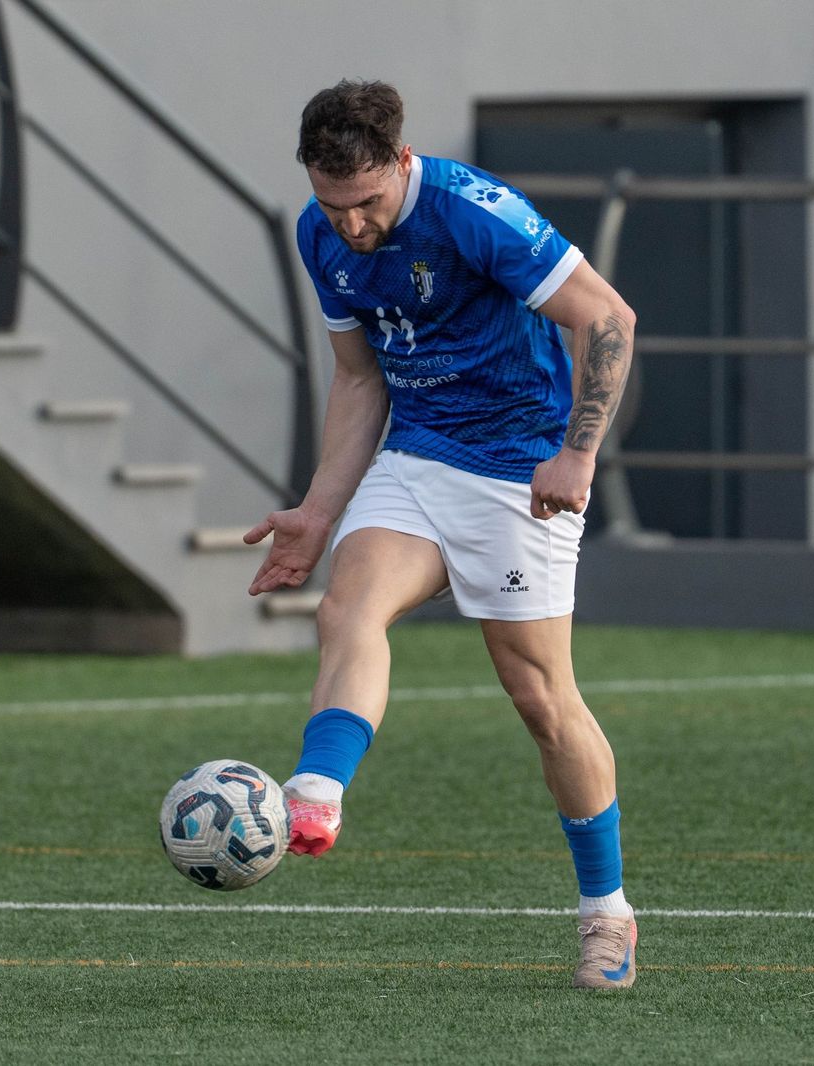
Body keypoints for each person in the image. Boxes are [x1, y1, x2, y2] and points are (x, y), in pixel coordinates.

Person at [245, 79, 639, 990]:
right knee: (348, 608)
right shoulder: (320, 235)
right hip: (418, 455)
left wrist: (578, 455)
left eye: (366, 202)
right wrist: (318, 510)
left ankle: (607, 912)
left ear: (402, 161)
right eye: (332, 204)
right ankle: (315, 792)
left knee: (541, 700)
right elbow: (359, 380)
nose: (351, 225)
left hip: (519, 470)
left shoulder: (473, 211)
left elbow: (606, 316)